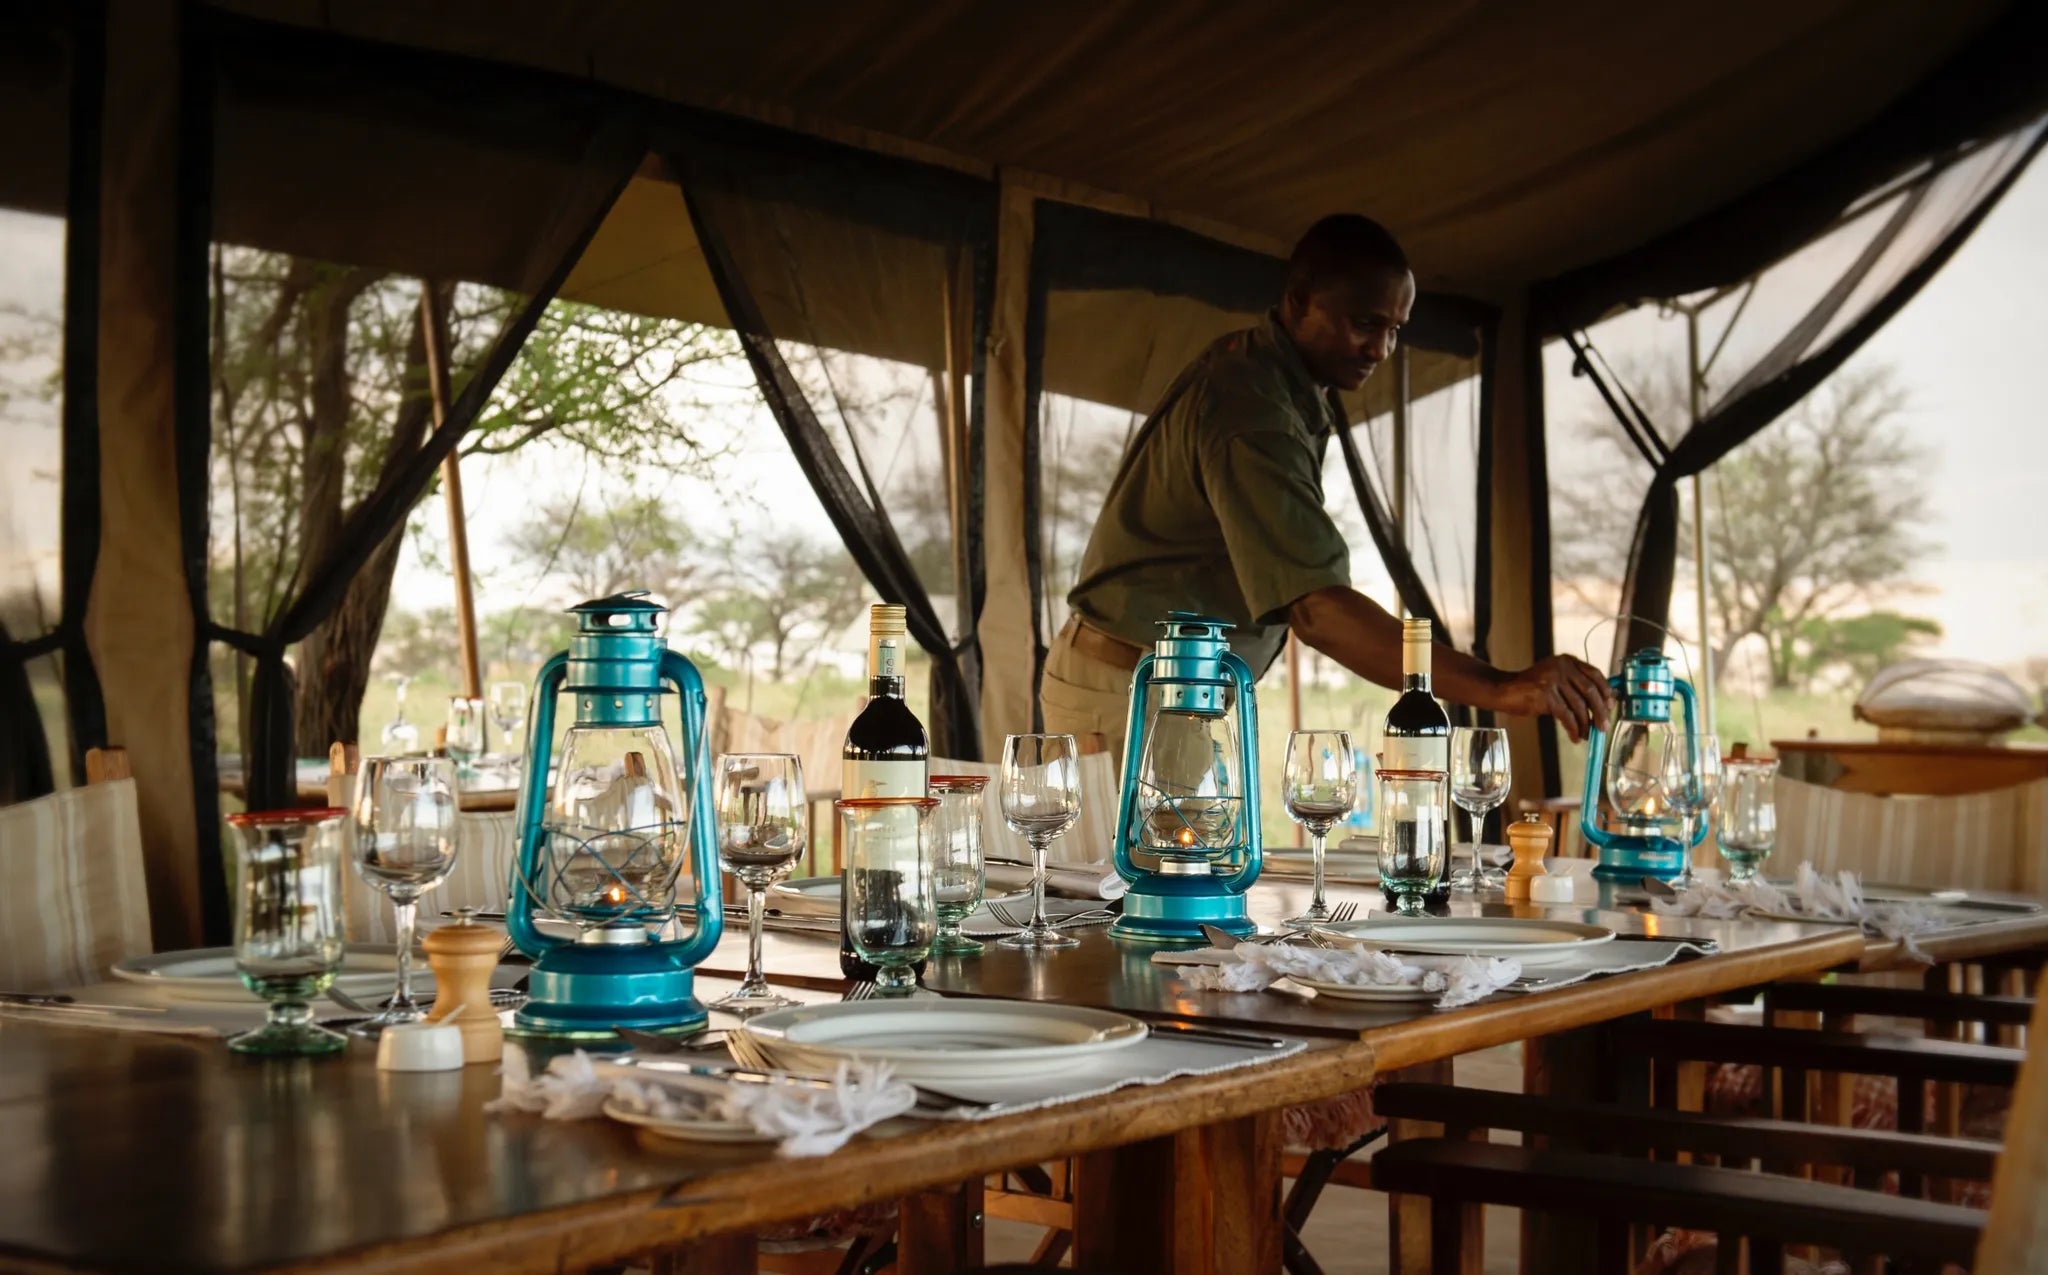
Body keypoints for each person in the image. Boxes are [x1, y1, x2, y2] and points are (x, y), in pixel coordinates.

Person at [1042, 213, 1612, 762]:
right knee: (1135, 865)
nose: (1381, 350)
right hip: (1128, 688)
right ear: (1297, 302)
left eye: (1394, 330)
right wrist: (1502, 688)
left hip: (1175, 687)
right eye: (1365, 323)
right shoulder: (1251, 404)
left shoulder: (1285, 390)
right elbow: (1318, 610)